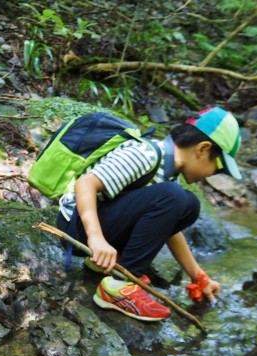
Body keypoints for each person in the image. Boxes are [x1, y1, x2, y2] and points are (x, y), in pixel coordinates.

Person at [56, 106, 242, 321]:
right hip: (77, 228)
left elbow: (165, 228)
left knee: (189, 204)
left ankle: (112, 266)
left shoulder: (170, 172)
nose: (212, 174)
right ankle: (118, 287)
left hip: (101, 227)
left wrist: (199, 277)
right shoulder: (145, 154)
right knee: (176, 196)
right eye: (218, 168)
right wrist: (96, 238)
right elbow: (85, 183)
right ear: (203, 148)